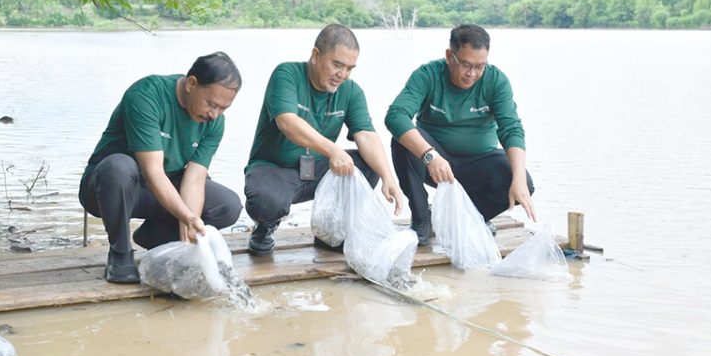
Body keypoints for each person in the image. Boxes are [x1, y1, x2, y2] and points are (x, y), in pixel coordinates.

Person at [79, 52, 244, 283]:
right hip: (110, 188)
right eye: (211, 104)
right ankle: (120, 253)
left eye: (223, 108)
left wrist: (188, 235)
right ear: (191, 83)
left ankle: (156, 237)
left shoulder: (214, 123)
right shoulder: (147, 96)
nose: (214, 114)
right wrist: (185, 215)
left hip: (160, 192)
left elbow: (195, 180)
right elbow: (153, 171)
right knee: (120, 167)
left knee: (227, 205)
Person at [244, 24, 405, 256]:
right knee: (266, 202)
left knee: (368, 166)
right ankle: (266, 226)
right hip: (275, 169)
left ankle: (330, 233)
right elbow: (287, 123)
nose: (343, 75)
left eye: (350, 68)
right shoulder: (287, 74)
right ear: (316, 55)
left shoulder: (351, 91)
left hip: (317, 169)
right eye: (337, 65)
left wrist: (388, 178)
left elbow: (367, 135)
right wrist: (333, 150)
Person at [385, 24, 536, 245]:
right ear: (449, 56)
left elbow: (511, 128)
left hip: (478, 164)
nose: (472, 74)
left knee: (521, 179)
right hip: (434, 164)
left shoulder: (496, 81)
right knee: (402, 140)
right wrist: (430, 155)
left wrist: (520, 181)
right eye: (465, 65)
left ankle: (472, 217)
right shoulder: (428, 75)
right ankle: (421, 217)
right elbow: (395, 115)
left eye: (479, 66)